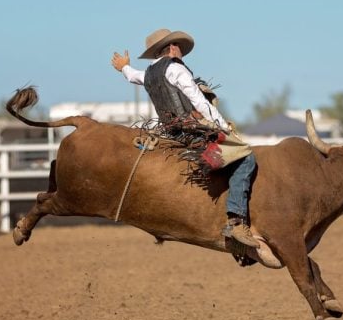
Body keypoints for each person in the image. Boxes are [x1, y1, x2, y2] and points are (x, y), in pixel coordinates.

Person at [111, 28, 260, 250]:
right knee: (245, 159)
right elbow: (198, 100)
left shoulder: (151, 73)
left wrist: (123, 66)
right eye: (178, 45)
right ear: (171, 47)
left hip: (171, 133)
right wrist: (223, 127)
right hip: (193, 132)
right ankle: (236, 221)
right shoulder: (176, 69)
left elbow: (133, 76)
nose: (181, 50)